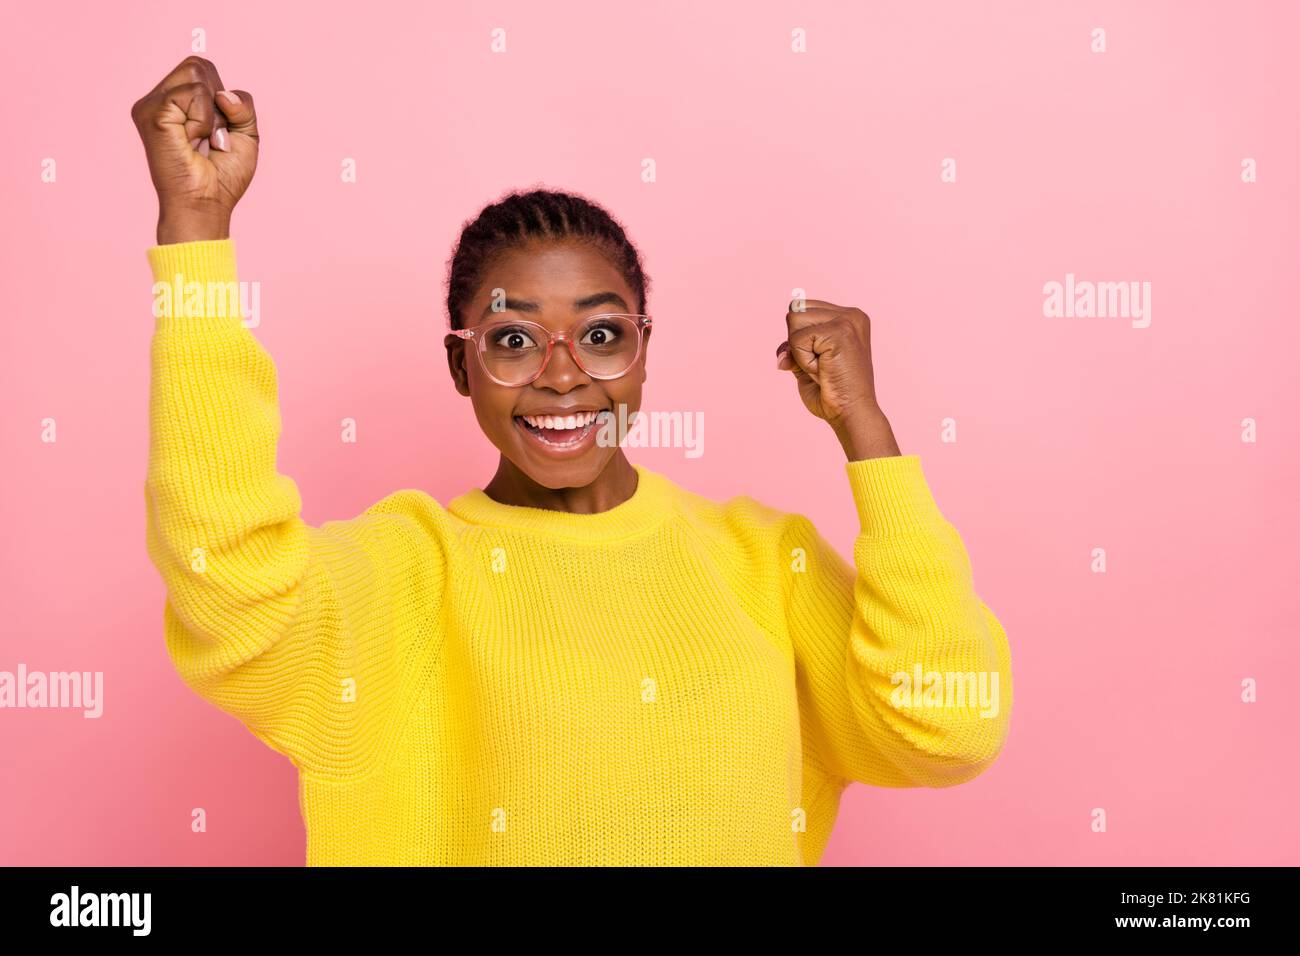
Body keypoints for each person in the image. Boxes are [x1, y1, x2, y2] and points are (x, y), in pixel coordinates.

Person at [134, 56, 1013, 866]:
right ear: (459, 365)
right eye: (513, 339)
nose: (561, 376)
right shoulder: (406, 572)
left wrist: (866, 432)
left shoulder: (763, 562)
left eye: (600, 334)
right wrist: (195, 230)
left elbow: (950, 725)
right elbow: (229, 587)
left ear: (644, 352)